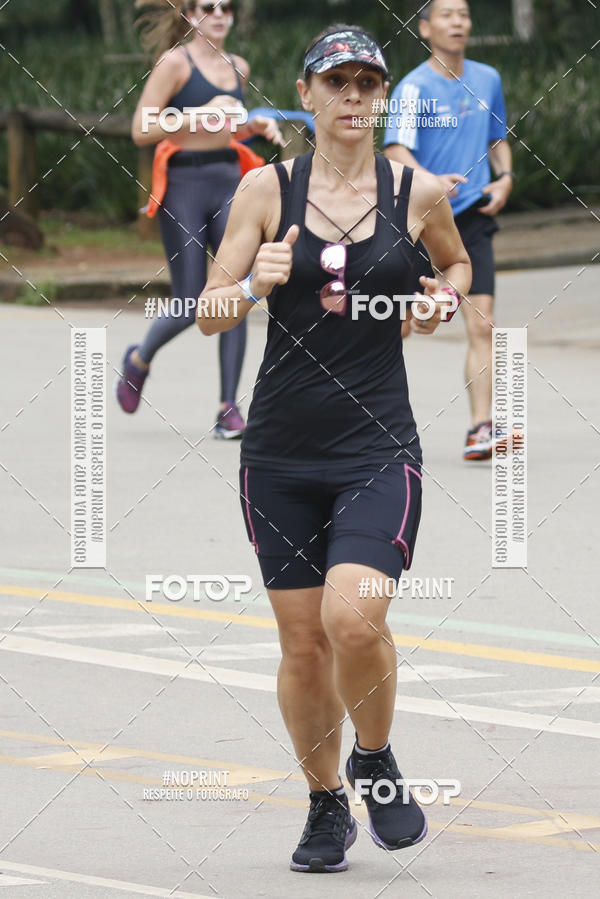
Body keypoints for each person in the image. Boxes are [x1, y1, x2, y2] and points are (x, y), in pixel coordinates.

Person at [197, 24, 471, 872]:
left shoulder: (415, 189)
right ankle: (324, 806)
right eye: (338, 82)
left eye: (368, 83)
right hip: (279, 451)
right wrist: (252, 283)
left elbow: (456, 269)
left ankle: (375, 758)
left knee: (354, 618)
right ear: (307, 95)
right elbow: (208, 309)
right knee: (302, 642)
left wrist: (439, 302)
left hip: (377, 443)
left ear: (382, 95)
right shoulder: (264, 190)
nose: (354, 97)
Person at [116, 0, 283, 437]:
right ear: (190, 15)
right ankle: (139, 358)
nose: (220, 13)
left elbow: (227, 129)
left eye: (227, 6)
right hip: (184, 185)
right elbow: (141, 128)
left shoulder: (239, 66)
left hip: (231, 180)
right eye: (209, 6)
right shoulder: (175, 63)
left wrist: (254, 128)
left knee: (234, 292)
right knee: (192, 302)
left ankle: (228, 407)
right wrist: (197, 113)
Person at [384, 0, 513, 461]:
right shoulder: (413, 88)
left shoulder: (487, 79)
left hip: (473, 219)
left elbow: (498, 137)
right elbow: (396, 150)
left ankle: (481, 428)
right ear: (425, 27)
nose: (457, 22)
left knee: (482, 325)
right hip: (421, 220)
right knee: (396, 327)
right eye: (446, 14)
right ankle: (358, 421)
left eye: (463, 14)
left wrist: (506, 177)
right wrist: (432, 183)